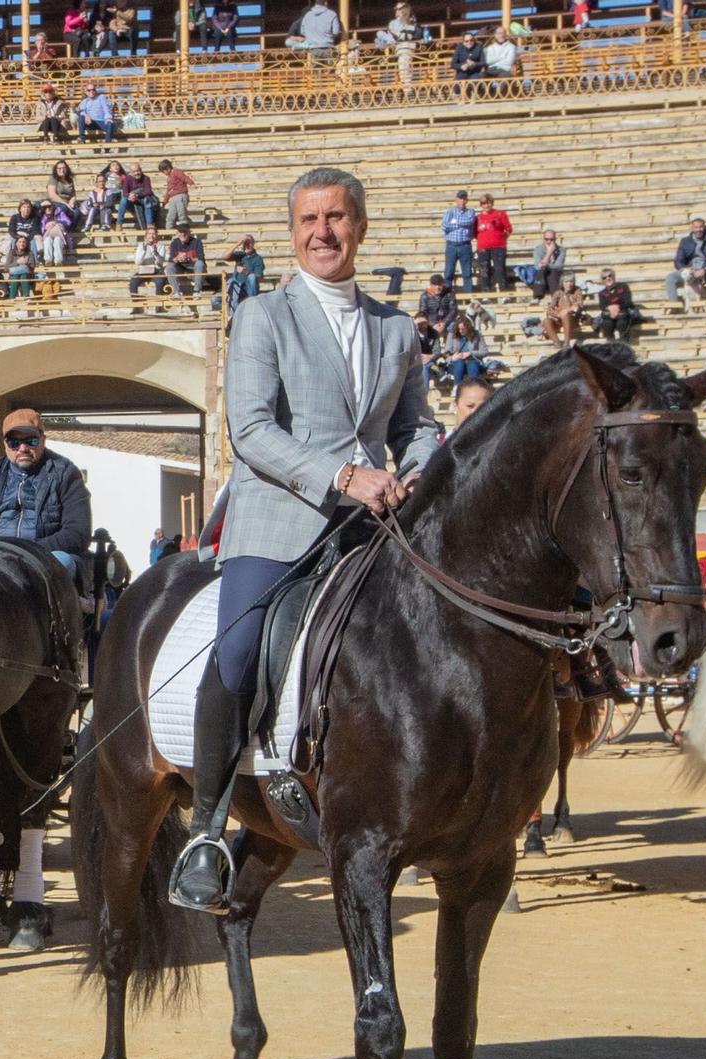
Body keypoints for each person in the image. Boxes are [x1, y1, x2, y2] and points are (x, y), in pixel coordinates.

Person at [172, 167, 437, 915]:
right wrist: (344, 474)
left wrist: (414, 470)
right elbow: (252, 430)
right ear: (292, 233)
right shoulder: (261, 315)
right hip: (280, 517)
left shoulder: (396, 327)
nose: (323, 231)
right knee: (237, 647)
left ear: (360, 226)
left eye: (337, 217)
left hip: (376, 523)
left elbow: (414, 427)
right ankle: (203, 828)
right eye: (309, 220)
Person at [0, 408, 92, 574]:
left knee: (62, 563)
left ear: (43, 440)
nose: (22, 448)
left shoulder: (65, 473)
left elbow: (77, 533)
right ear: (5, 444)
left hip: (44, 556)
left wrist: (27, 550)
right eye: (14, 442)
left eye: (31, 441)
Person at [440, 189, 476, 292]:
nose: (462, 201)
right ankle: (447, 295)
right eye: (460, 198)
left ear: (467, 200)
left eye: (464, 199)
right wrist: (460, 224)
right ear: (456, 199)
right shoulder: (450, 211)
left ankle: (468, 296)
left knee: (467, 273)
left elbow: (469, 221)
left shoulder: (470, 211)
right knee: (448, 272)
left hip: (465, 245)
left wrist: (454, 223)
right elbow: (444, 226)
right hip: (451, 245)